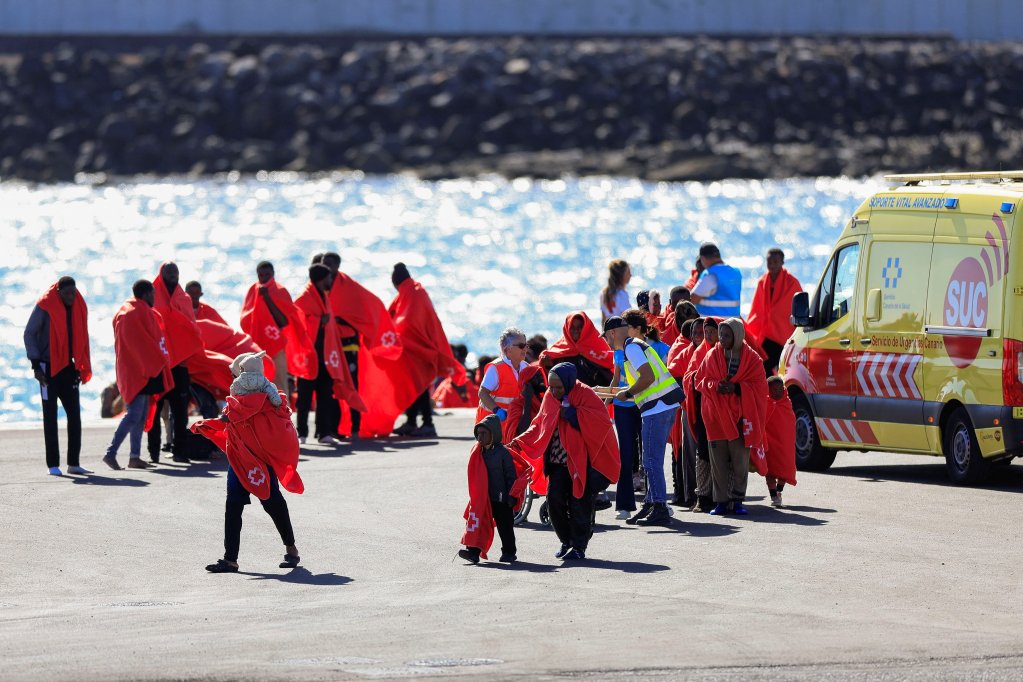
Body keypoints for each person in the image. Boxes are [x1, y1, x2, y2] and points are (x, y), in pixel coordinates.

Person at [192, 356, 304, 574]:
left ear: (240, 374)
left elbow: (229, 421)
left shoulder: (236, 402)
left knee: (240, 506)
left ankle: (234, 558)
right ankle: (285, 550)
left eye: (234, 374)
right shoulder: (273, 400)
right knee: (268, 504)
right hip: (253, 460)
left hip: (248, 462)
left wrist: (206, 425)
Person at [509, 363, 620, 561]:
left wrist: (571, 414)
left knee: (580, 504)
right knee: (554, 501)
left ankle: (579, 546)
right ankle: (566, 541)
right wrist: (519, 441)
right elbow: (539, 424)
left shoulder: (585, 394)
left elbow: (601, 424)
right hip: (557, 462)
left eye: (559, 387)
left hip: (582, 462)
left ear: (568, 382)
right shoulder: (551, 398)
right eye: (551, 387)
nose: (554, 391)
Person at [606, 310, 684, 527]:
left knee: (651, 460)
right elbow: (640, 379)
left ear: (612, 333)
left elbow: (647, 377)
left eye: (606, 337)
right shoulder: (635, 345)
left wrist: (628, 393)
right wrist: (605, 391)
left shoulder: (631, 348)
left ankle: (659, 505)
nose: (607, 343)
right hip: (662, 405)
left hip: (657, 407)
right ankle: (652, 502)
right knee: (650, 459)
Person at [694, 318, 768, 516]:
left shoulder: (752, 359)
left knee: (739, 461)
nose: (722, 339)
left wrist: (737, 388)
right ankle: (720, 502)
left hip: (741, 418)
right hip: (716, 417)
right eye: (721, 335)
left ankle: (737, 501)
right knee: (717, 462)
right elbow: (699, 381)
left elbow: (760, 387)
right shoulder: (711, 355)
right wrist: (716, 386)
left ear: (737, 336)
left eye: (727, 335)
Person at [388, 263, 467, 438]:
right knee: (414, 386)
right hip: (416, 350)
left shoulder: (412, 294)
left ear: (396, 283)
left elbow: (407, 323)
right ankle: (411, 421)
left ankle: (427, 423)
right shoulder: (414, 292)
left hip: (420, 350)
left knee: (419, 386)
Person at [24, 276, 92, 476]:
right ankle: (53, 464)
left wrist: (80, 367)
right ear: (58, 292)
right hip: (46, 368)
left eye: (73, 292)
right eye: (67, 293)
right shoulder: (45, 306)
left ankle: (73, 463)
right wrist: (35, 365)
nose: (71, 297)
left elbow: (82, 338)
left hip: (68, 368)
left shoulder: (77, 305)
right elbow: (29, 334)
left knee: (75, 416)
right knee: (50, 417)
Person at [104, 279, 172, 471]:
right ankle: (111, 453)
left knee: (140, 415)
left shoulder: (127, 310)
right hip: (139, 371)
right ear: (145, 294)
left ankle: (134, 457)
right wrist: (152, 364)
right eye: (152, 294)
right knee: (134, 414)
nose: (154, 298)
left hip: (136, 369)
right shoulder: (136, 311)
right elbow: (141, 343)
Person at [148, 262, 205, 464]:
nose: (173, 275)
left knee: (180, 411)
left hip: (179, 364)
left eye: (176, 272)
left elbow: (191, 327)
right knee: (154, 409)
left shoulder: (183, 298)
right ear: (162, 274)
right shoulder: (152, 294)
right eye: (169, 272)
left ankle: (181, 451)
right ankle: (153, 452)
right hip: (158, 365)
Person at [240, 261, 311, 395]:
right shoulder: (252, 291)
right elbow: (245, 319)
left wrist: (267, 298)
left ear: (273, 274)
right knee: (257, 384)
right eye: (261, 275)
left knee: (279, 384)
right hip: (257, 346)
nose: (264, 277)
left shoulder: (280, 291)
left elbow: (284, 321)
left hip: (276, 344)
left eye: (267, 274)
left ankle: (283, 414)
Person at [293, 263, 344, 445]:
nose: (331, 281)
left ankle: (324, 432)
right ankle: (302, 433)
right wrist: (317, 321)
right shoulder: (304, 299)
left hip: (325, 357)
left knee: (325, 396)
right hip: (308, 357)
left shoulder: (324, 297)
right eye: (329, 278)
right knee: (304, 398)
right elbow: (297, 324)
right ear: (322, 279)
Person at [458, 415, 518, 564]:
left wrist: (512, 496)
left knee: (505, 528)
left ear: (493, 434)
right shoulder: (477, 452)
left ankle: (509, 552)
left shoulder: (503, 453)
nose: (480, 437)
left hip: (501, 499)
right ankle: (473, 552)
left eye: (484, 434)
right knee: (477, 524)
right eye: (478, 434)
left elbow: (511, 476)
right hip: (483, 499)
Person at [745, 248, 803, 375]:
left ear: (782, 262)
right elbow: (757, 308)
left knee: (775, 368)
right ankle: (767, 392)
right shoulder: (762, 282)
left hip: (784, 334)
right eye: (769, 262)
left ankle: (774, 392)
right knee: (760, 366)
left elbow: (800, 307)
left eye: (775, 262)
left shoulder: (792, 282)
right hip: (766, 333)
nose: (771, 265)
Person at [477, 328, 529, 438]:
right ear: (507, 350)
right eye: (521, 346)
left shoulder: (526, 367)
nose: (525, 348)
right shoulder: (495, 368)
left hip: (513, 425)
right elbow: (482, 393)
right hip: (491, 425)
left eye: (526, 345)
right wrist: (497, 411)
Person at [544, 311, 614, 387]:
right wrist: (548, 366)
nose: (576, 330)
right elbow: (553, 381)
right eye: (572, 327)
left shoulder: (597, 344)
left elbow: (611, 364)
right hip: (569, 396)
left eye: (580, 327)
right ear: (567, 328)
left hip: (599, 394)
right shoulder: (560, 350)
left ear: (586, 328)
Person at [764, 376, 797, 507]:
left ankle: (779, 491)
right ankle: (773, 495)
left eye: (780, 389)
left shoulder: (786, 403)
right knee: (770, 469)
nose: (777, 392)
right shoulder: (764, 401)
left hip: (784, 443)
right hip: (770, 442)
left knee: (785, 467)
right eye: (774, 389)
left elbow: (790, 422)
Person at [691, 242, 742, 318]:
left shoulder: (711, 274)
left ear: (703, 258)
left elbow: (693, 298)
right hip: (732, 325)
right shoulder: (736, 272)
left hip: (713, 325)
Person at [599, 259, 631, 325]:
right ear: (621, 276)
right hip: (621, 332)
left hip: (609, 333)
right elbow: (628, 319)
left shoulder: (604, 293)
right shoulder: (622, 294)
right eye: (628, 272)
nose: (630, 275)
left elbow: (603, 321)